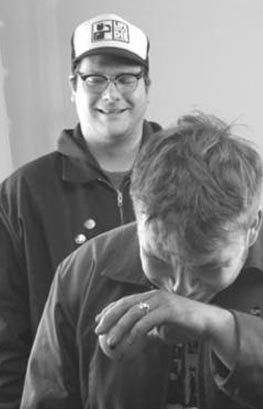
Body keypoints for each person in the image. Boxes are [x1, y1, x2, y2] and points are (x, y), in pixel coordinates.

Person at [21, 112, 263, 408]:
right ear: (137, 213)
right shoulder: (82, 272)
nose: (179, 289)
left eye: (207, 267)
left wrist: (220, 327)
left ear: (252, 228)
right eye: (159, 260)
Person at [0, 13, 161, 408]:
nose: (111, 94)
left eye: (126, 78)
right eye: (95, 79)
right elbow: (6, 333)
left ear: (147, 85)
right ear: (73, 86)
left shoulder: (191, 175)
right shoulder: (23, 193)